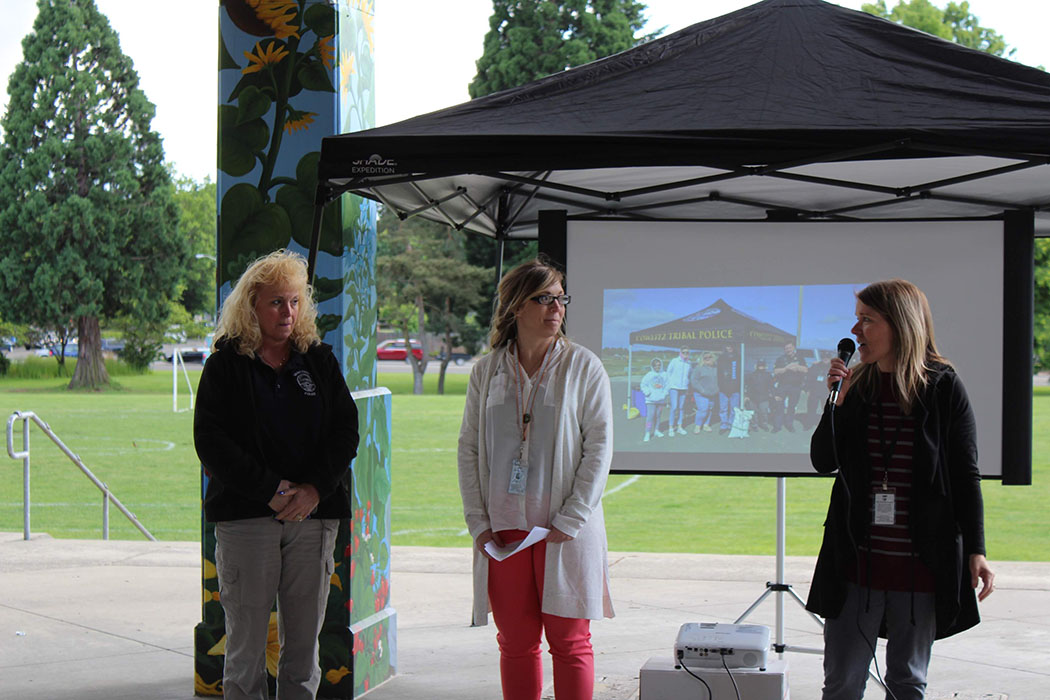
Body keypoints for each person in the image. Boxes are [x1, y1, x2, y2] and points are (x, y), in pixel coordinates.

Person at [807, 279, 994, 700]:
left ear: (900, 325)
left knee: (908, 684)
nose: (855, 333)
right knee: (841, 684)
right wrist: (835, 402)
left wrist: (976, 550)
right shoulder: (856, 387)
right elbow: (823, 461)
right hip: (856, 565)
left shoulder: (943, 388)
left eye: (866, 321)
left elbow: (966, 475)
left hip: (920, 569)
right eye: (857, 320)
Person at [194, 250, 359, 700]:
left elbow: (346, 432)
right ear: (251, 306)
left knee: (304, 646)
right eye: (275, 303)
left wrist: (313, 489)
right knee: (245, 646)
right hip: (247, 518)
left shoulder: (319, 361)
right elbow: (211, 442)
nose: (287, 312)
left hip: (312, 516)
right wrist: (271, 490)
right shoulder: (224, 366)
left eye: (293, 302)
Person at [457, 258, 614, 700]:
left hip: (563, 530)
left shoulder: (584, 367)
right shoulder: (486, 371)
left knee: (570, 643)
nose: (556, 308)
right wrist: (478, 521)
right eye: (543, 298)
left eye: (560, 298)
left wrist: (573, 517)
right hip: (503, 529)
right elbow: (468, 449)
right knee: (516, 644)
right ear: (514, 308)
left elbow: (599, 448)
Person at [773, 342, 808, 432]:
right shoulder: (780, 359)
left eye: (790, 348)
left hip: (795, 387)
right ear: (784, 350)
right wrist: (786, 368)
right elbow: (775, 371)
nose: (788, 350)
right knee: (779, 406)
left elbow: (806, 370)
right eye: (786, 348)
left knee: (792, 406)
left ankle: (789, 424)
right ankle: (777, 426)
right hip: (782, 386)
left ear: (794, 348)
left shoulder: (800, 358)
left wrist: (797, 367)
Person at [640, 357, 670, 441]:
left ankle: (657, 430)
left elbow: (668, 385)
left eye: (659, 365)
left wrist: (664, 394)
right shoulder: (649, 375)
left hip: (660, 400)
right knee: (650, 416)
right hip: (650, 400)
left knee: (658, 416)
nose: (658, 367)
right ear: (652, 366)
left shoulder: (664, 374)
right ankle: (647, 432)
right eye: (656, 365)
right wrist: (647, 392)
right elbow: (643, 385)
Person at [664, 347, 692, 436]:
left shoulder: (689, 363)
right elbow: (668, 372)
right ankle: (671, 427)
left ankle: (680, 426)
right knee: (674, 407)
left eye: (687, 352)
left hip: (683, 387)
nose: (685, 354)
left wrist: (687, 384)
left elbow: (689, 375)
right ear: (680, 352)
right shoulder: (674, 361)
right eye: (684, 352)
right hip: (674, 387)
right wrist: (670, 385)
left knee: (681, 407)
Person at [689, 351, 719, 433]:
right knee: (703, 409)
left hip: (712, 393)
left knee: (710, 409)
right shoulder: (698, 368)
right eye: (705, 358)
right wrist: (701, 390)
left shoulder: (716, 368)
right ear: (702, 359)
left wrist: (718, 389)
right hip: (701, 394)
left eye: (710, 357)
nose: (707, 359)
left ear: (713, 357)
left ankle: (706, 424)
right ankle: (698, 425)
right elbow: (694, 380)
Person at [716, 344, 741, 435]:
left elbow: (740, 373)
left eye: (731, 345)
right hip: (723, 389)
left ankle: (731, 425)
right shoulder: (721, 358)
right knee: (723, 408)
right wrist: (720, 386)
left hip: (735, 389)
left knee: (734, 408)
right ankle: (723, 425)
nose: (729, 347)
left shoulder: (738, 358)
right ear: (725, 347)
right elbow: (718, 373)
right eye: (728, 346)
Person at [745, 358, 775, 431]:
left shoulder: (768, 375)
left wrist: (773, 395)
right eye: (759, 365)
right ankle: (754, 425)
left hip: (764, 397)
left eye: (762, 365)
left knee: (763, 412)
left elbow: (771, 386)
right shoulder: (751, 375)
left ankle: (764, 424)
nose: (761, 367)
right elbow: (748, 386)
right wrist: (747, 396)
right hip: (753, 397)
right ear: (756, 366)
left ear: (765, 366)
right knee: (753, 413)